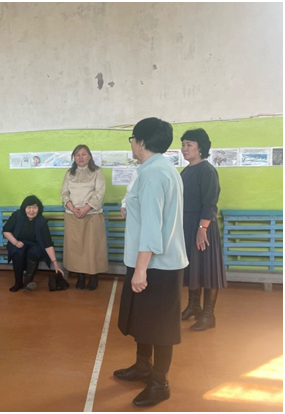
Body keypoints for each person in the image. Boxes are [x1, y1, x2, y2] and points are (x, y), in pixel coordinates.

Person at [114, 117, 188, 407]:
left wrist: (141, 269)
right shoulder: (156, 169)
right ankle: (143, 366)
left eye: (132, 139)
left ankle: (160, 382)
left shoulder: (155, 173)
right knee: (145, 321)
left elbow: (151, 225)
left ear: (141, 142)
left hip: (158, 265)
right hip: (149, 261)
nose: (132, 144)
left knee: (161, 327)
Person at [180, 129, 227, 331]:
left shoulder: (207, 170)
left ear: (201, 147)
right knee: (194, 268)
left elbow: (210, 202)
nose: (184, 148)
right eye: (183, 145)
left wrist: (202, 228)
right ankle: (193, 306)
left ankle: (208, 315)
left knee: (208, 270)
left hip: (203, 226)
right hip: (188, 225)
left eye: (189, 144)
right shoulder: (186, 171)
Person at [60, 144, 108, 290]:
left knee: (92, 247)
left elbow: (99, 192)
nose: (80, 157)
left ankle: (93, 277)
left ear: (90, 156)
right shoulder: (69, 173)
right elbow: (64, 193)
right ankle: (80, 277)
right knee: (76, 248)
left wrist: (86, 208)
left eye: (83, 154)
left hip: (92, 215)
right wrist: (73, 208)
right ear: (74, 157)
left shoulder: (97, 172)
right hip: (73, 215)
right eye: (77, 155)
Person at [2, 195, 67, 292]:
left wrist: (55, 263)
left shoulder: (42, 221)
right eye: (29, 207)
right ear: (24, 208)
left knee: (33, 254)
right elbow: (6, 230)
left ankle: (27, 283)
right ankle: (18, 282)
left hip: (36, 244)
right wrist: (15, 242)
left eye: (34, 207)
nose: (31, 210)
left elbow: (48, 243)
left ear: (39, 209)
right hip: (18, 242)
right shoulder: (17, 215)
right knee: (17, 253)